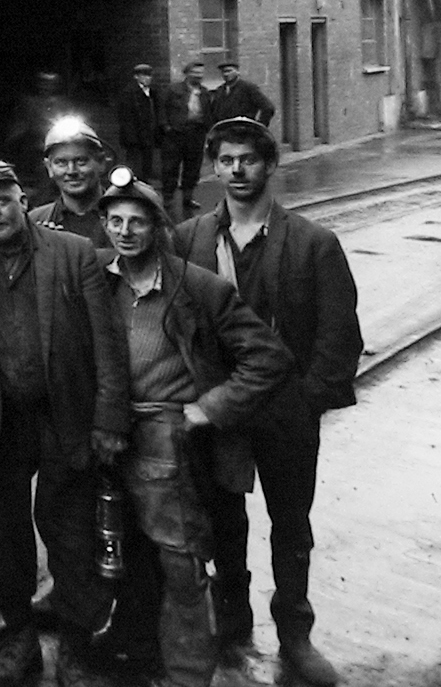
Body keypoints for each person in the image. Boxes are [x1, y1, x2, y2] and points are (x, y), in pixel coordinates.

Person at [173, 119, 362, 685]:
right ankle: (232, 622)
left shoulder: (312, 243)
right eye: (225, 160)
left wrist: (306, 400)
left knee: (290, 524)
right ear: (213, 167)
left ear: (270, 165)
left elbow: (338, 334)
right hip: (218, 409)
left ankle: (295, 634)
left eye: (247, 160)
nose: (236, 171)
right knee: (223, 518)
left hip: (284, 413)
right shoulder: (190, 239)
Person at [0, 155, 130, 686]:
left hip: (62, 414)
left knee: (68, 531)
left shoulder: (74, 253)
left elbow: (106, 344)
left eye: (3, 199)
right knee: (5, 536)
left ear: (23, 198)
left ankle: (74, 641)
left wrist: (109, 419)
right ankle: (22, 636)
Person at [95, 166, 291, 687]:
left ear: (158, 227)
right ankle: (137, 657)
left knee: (181, 562)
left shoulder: (198, 288)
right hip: (111, 436)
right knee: (125, 556)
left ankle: (188, 674)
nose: (124, 231)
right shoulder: (96, 280)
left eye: (137, 221)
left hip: (167, 441)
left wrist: (209, 408)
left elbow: (267, 357)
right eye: (114, 220)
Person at [30, 116, 110, 252]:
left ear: (101, 162)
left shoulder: (124, 218)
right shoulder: (34, 222)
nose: (71, 171)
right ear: (49, 168)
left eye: (81, 161)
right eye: (61, 162)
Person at [159, 63, 211, 218]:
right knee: (170, 166)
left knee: (193, 166)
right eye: (195, 73)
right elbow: (162, 109)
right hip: (175, 134)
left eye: (201, 73)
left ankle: (188, 197)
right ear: (187, 74)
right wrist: (166, 127)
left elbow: (209, 112)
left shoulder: (205, 92)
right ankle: (167, 199)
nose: (198, 76)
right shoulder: (173, 90)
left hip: (196, 133)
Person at [113, 66, 162, 181]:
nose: (147, 78)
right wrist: (131, 137)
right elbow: (125, 117)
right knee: (135, 164)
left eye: (149, 75)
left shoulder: (153, 92)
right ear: (136, 77)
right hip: (135, 135)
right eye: (143, 75)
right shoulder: (129, 93)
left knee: (147, 164)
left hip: (149, 134)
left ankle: (145, 184)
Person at [211, 61, 277, 127]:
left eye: (229, 71)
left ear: (237, 72)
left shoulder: (248, 88)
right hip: (225, 132)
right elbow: (215, 113)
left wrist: (259, 126)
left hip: (244, 131)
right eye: (223, 72)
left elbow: (268, 107)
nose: (226, 74)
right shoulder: (220, 90)